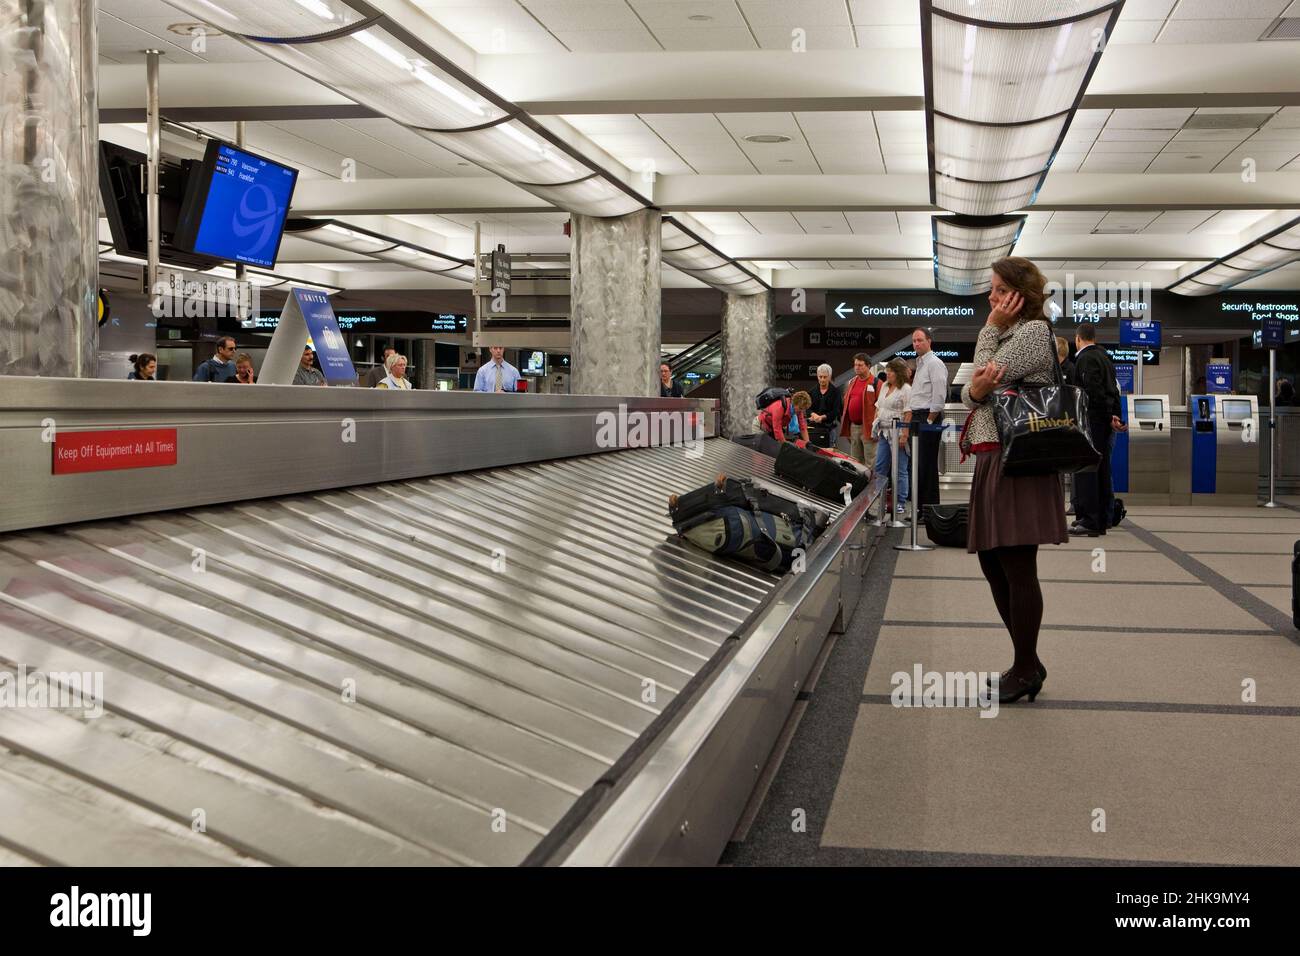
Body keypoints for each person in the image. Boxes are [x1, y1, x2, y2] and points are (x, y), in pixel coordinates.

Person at [959, 256, 1068, 705]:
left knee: (1018, 565)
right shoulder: (1011, 336)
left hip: (1018, 460)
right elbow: (969, 392)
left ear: (1017, 296)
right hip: (996, 457)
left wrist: (987, 330)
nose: (990, 297)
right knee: (992, 560)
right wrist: (976, 385)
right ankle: (1028, 660)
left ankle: (1025, 668)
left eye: (997, 289)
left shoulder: (1031, 334)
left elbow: (982, 383)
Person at [1071, 324, 1127, 537]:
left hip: (1092, 422)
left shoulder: (1085, 359)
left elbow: (1091, 393)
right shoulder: (1105, 358)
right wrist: (1114, 416)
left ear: (1078, 339)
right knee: (1102, 469)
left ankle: (1090, 519)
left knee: (1088, 469)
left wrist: (1103, 416)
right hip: (1104, 423)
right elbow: (1113, 389)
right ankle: (1102, 518)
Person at [905, 328, 949, 515]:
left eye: (920, 340)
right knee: (916, 465)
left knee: (927, 465)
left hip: (927, 417)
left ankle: (929, 511)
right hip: (917, 417)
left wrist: (930, 419)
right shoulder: (921, 364)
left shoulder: (934, 363)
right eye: (914, 341)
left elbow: (939, 395)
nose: (916, 344)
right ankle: (919, 510)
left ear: (929, 341)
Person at [871, 358, 912, 514]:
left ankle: (900, 500)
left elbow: (908, 412)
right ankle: (879, 497)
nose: (887, 373)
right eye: (887, 370)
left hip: (897, 431)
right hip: (884, 431)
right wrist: (875, 427)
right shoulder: (885, 387)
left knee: (900, 468)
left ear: (898, 373)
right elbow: (878, 406)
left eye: (891, 371)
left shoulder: (906, 389)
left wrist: (904, 434)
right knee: (880, 466)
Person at [840, 352, 878, 465]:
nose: (857, 367)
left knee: (870, 461)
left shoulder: (876, 382)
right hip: (854, 427)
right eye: (855, 365)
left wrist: (875, 429)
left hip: (868, 428)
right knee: (855, 462)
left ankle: (871, 483)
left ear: (868, 366)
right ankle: (859, 483)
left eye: (860, 365)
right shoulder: (852, 382)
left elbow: (880, 407)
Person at [807, 364, 841, 447]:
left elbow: (836, 411)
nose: (822, 379)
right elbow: (807, 408)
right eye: (820, 377)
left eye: (825, 377)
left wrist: (822, 417)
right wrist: (813, 414)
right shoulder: (812, 391)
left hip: (829, 429)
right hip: (813, 429)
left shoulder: (836, 392)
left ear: (829, 377)